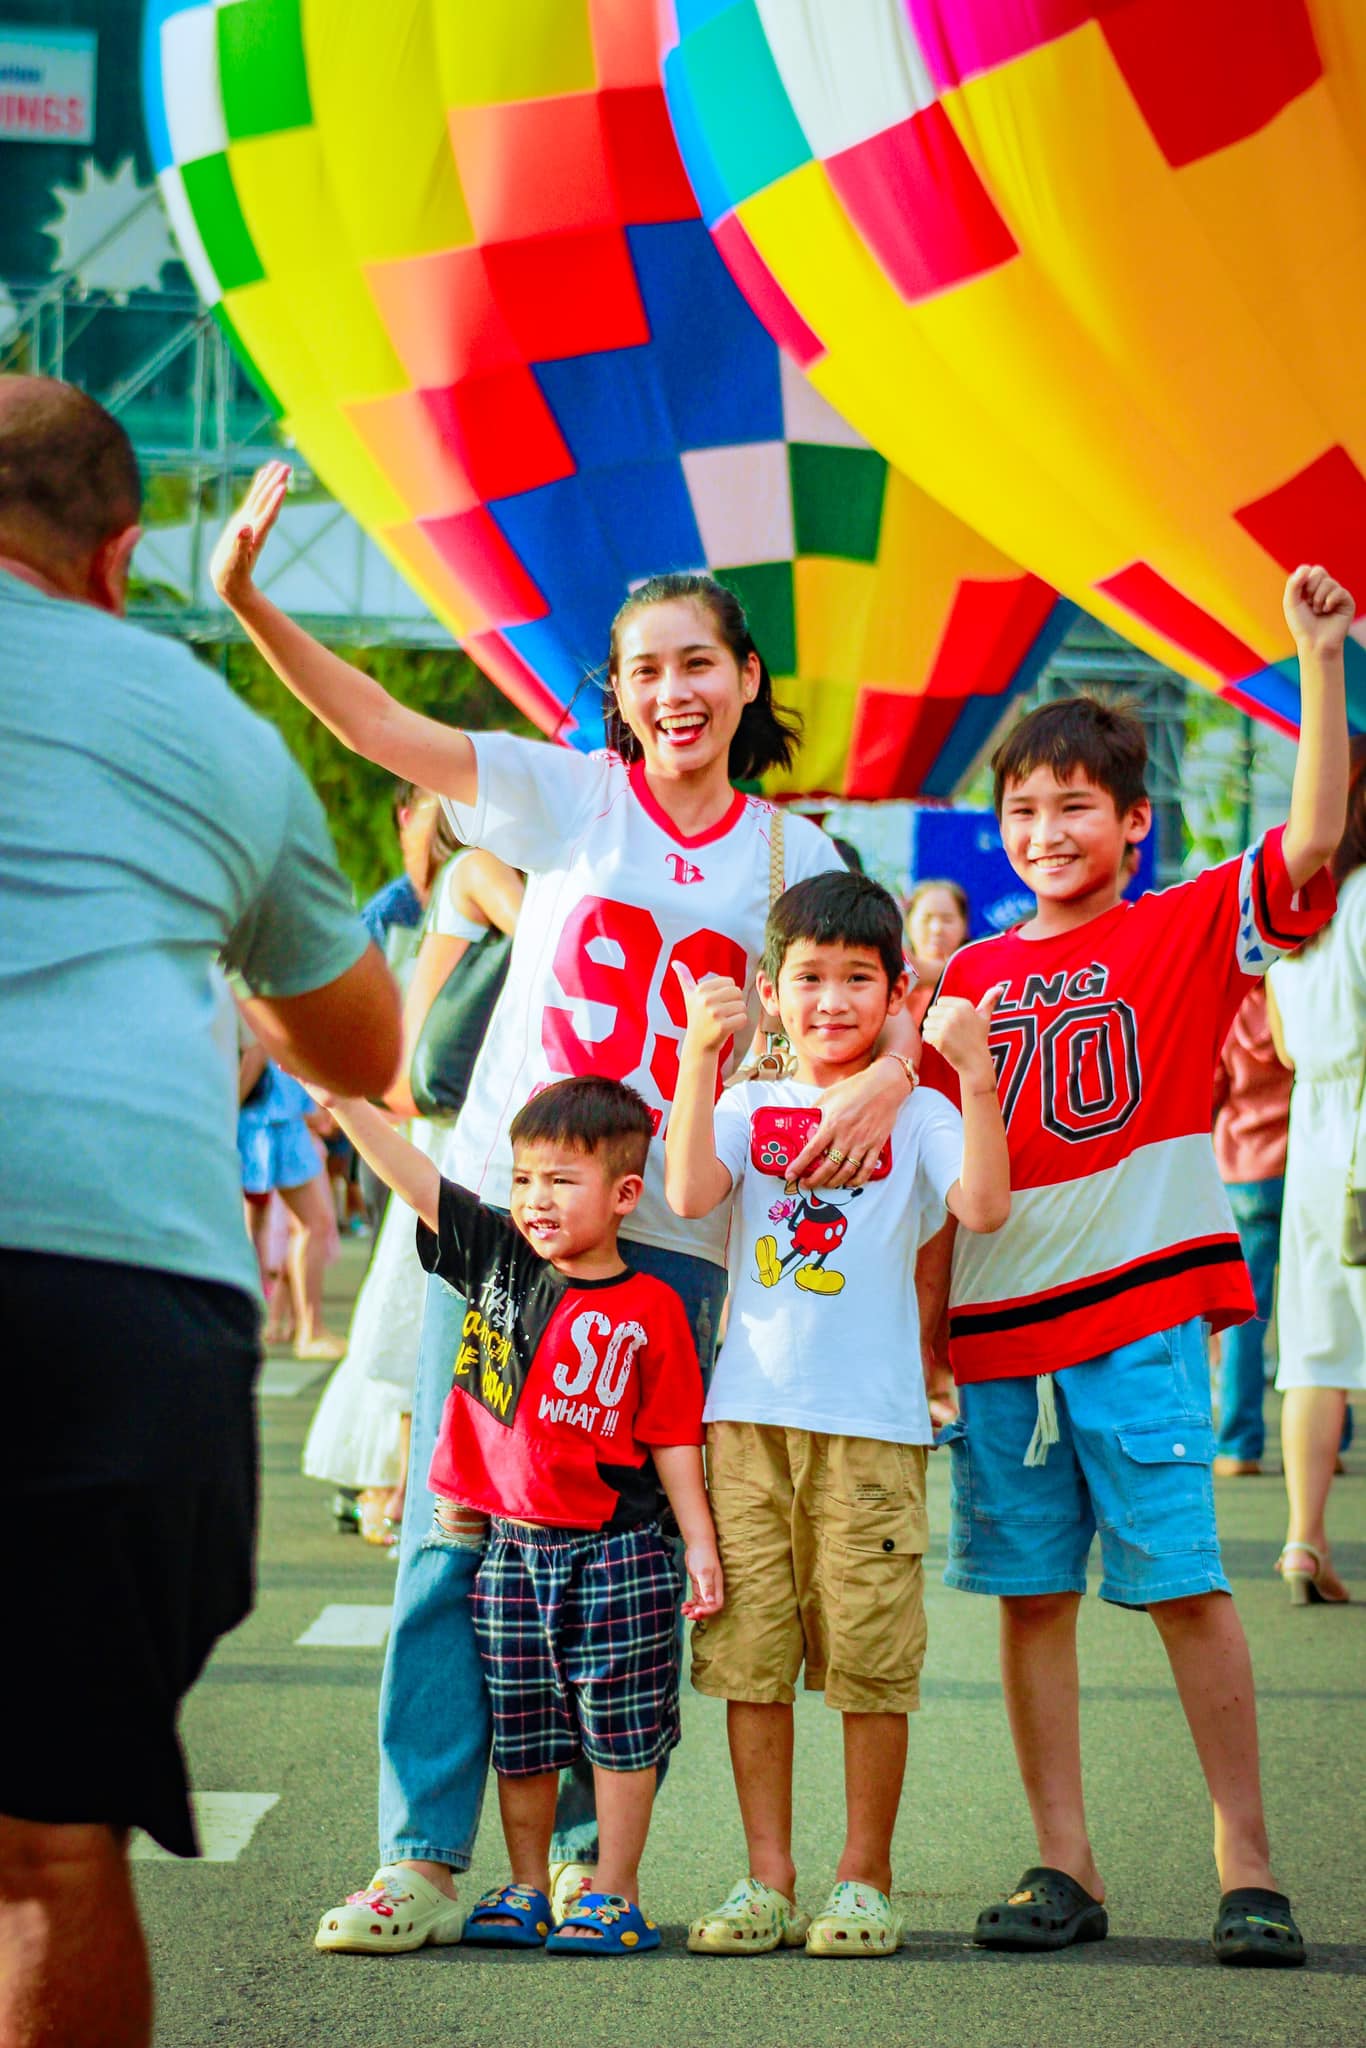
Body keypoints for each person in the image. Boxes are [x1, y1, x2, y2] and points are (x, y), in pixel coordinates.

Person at [210, 468, 918, 1949]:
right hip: (507, 1240)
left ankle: (596, 1868)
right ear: (615, 692)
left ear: (745, 680)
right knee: (457, 1535)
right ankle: (423, 1852)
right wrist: (250, 601)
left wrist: (890, 1070)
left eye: (696, 663)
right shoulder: (567, 792)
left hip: (676, 1248)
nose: (671, 691)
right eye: (643, 669)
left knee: (628, 1564)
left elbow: (877, 1000)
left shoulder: (800, 859)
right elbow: (383, 729)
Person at [0, 374, 401, 2048]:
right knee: (51, 1841)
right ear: (118, 548)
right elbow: (362, 1043)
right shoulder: (203, 727)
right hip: (119, 1288)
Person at [918, 564, 1351, 1970]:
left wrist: (1314, 663)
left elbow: (1310, 843)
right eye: (1022, 810)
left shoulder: (1179, 926)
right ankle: (1062, 1861)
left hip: (1138, 1323)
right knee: (1028, 1597)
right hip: (993, 1336)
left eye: (1073, 806)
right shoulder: (963, 982)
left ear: (1130, 822)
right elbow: (934, 1192)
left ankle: (1248, 1863)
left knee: (1181, 1584)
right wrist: (923, 1341)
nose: (1045, 830)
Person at [664, 870, 1010, 1957]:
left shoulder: (921, 1111)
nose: (830, 1000)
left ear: (895, 987)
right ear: (770, 990)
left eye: (856, 978)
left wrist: (974, 1072)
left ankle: (864, 1873)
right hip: (747, 1422)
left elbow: (983, 1205)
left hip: (873, 1427)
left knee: (868, 1657)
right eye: (807, 978)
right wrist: (693, 1059)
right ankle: (768, 1873)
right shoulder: (744, 1103)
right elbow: (685, 1193)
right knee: (750, 1655)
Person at [311, 1076, 721, 1955]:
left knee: (618, 1728)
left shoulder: (651, 1307)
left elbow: (674, 1438)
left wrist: (699, 1544)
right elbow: (417, 1179)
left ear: (623, 1195)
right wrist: (345, 1103)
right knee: (526, 1730)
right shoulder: (494, 1262)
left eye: (561, 1182)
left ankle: (613, 1888)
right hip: (508, 1551)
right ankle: (528, 1883)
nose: (535, 1199)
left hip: (618, 1554)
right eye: (525, 1179)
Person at [303, 846, 524, 1543]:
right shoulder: (487, 866)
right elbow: (555, 942)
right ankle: (401, 1488)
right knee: (430, 1308)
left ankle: (390, 1486)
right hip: (459, 1128)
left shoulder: (449, 881)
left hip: (438, 1119)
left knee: (411, 1307)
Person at [1266, 746, 1366, 1604]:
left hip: (1315, 1127)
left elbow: (1287, 1045)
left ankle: (1304, 1539)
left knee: (1314, 1345)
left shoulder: (1300, 911)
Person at [1211, 984, 1292, 1475]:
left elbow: (1211, 1090)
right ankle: (1333, 1435)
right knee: (1318, 1305)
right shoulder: (1304, 996)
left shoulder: (1231, 1006)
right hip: (1303, 1163)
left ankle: (1239, 1446)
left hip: (1241, 1170)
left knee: (1246, 1315)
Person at [237, 1039, 346, 1359]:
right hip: (275, 1121)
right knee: (313, 1224)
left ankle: (260, 1322)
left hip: (269, 1119)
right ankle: (309, 1329)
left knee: (254, 1227)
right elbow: (257, 1049)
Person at [903, 879, 971, 1027]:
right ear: (908, 924)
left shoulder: (982, 978)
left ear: (965, 925)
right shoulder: (892, 971)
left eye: (947, 920)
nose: (937, 929)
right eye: (926, 919)